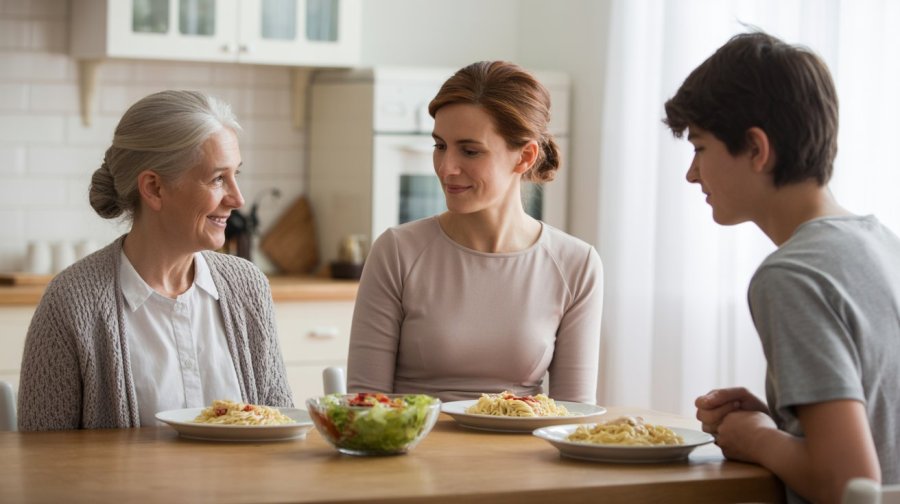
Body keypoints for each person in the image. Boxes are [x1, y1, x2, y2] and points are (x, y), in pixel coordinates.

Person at [664, 32, 900, 503]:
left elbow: (848, 483)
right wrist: (781, 421)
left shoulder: (791, 275)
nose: (692, 173)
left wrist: (755, 438)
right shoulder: (883, 245)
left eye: (700, 148)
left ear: (756, 148)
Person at [17, 90, 293, 431]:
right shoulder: (72, 303)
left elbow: (281, 428)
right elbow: (42, 461)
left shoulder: (248, 287)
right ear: (154, 188)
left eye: (236, 174)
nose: (237, 198)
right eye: (218, 178)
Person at [346, 61, 604, 403]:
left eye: (469, 151)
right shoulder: (397, 251)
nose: (446, 167)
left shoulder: (576, 264)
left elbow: (572, 418)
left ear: (525, 156)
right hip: (411, 451)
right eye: (440, 146)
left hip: (521, 454)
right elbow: (365, 408)